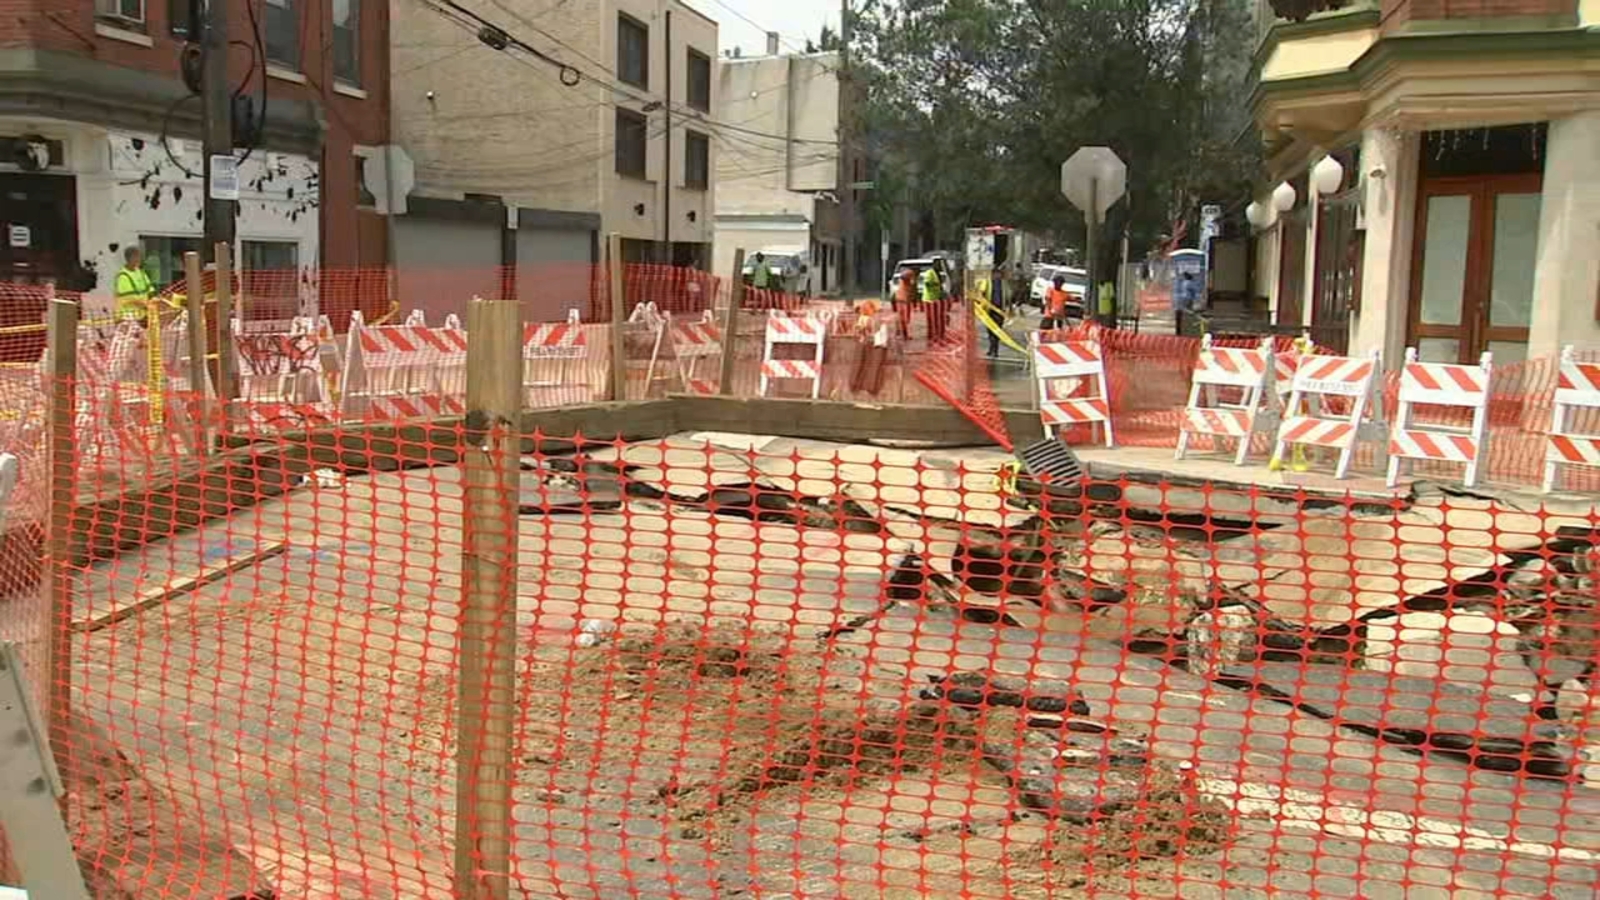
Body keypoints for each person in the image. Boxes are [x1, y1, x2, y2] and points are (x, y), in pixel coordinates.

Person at [115, 245, 156, 324]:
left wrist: (155, 301)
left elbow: (150, 291)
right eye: (137, 257)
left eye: (140, 257)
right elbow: (130, 298)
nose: (139, 260)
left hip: (142, 317)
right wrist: (147, 305)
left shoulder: (141, 273)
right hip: (127, 318)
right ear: (129, 258)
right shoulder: (123, 276)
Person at [921, 263, 945, 344]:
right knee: (931, 318)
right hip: (929, 299)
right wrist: (936, 284)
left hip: (935, 298)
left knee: (937, 318)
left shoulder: (937, 273)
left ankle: (938, 335)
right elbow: (927, 283)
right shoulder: (930, 273)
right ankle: (931, 336)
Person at [893, 264, 916, 339]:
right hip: (904, 298)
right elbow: (905, 278)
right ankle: (904, 335)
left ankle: (898, 332)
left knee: (900, 316)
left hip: (899, 297)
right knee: (904, 317)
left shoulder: (907, 274)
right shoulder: (910, 273)